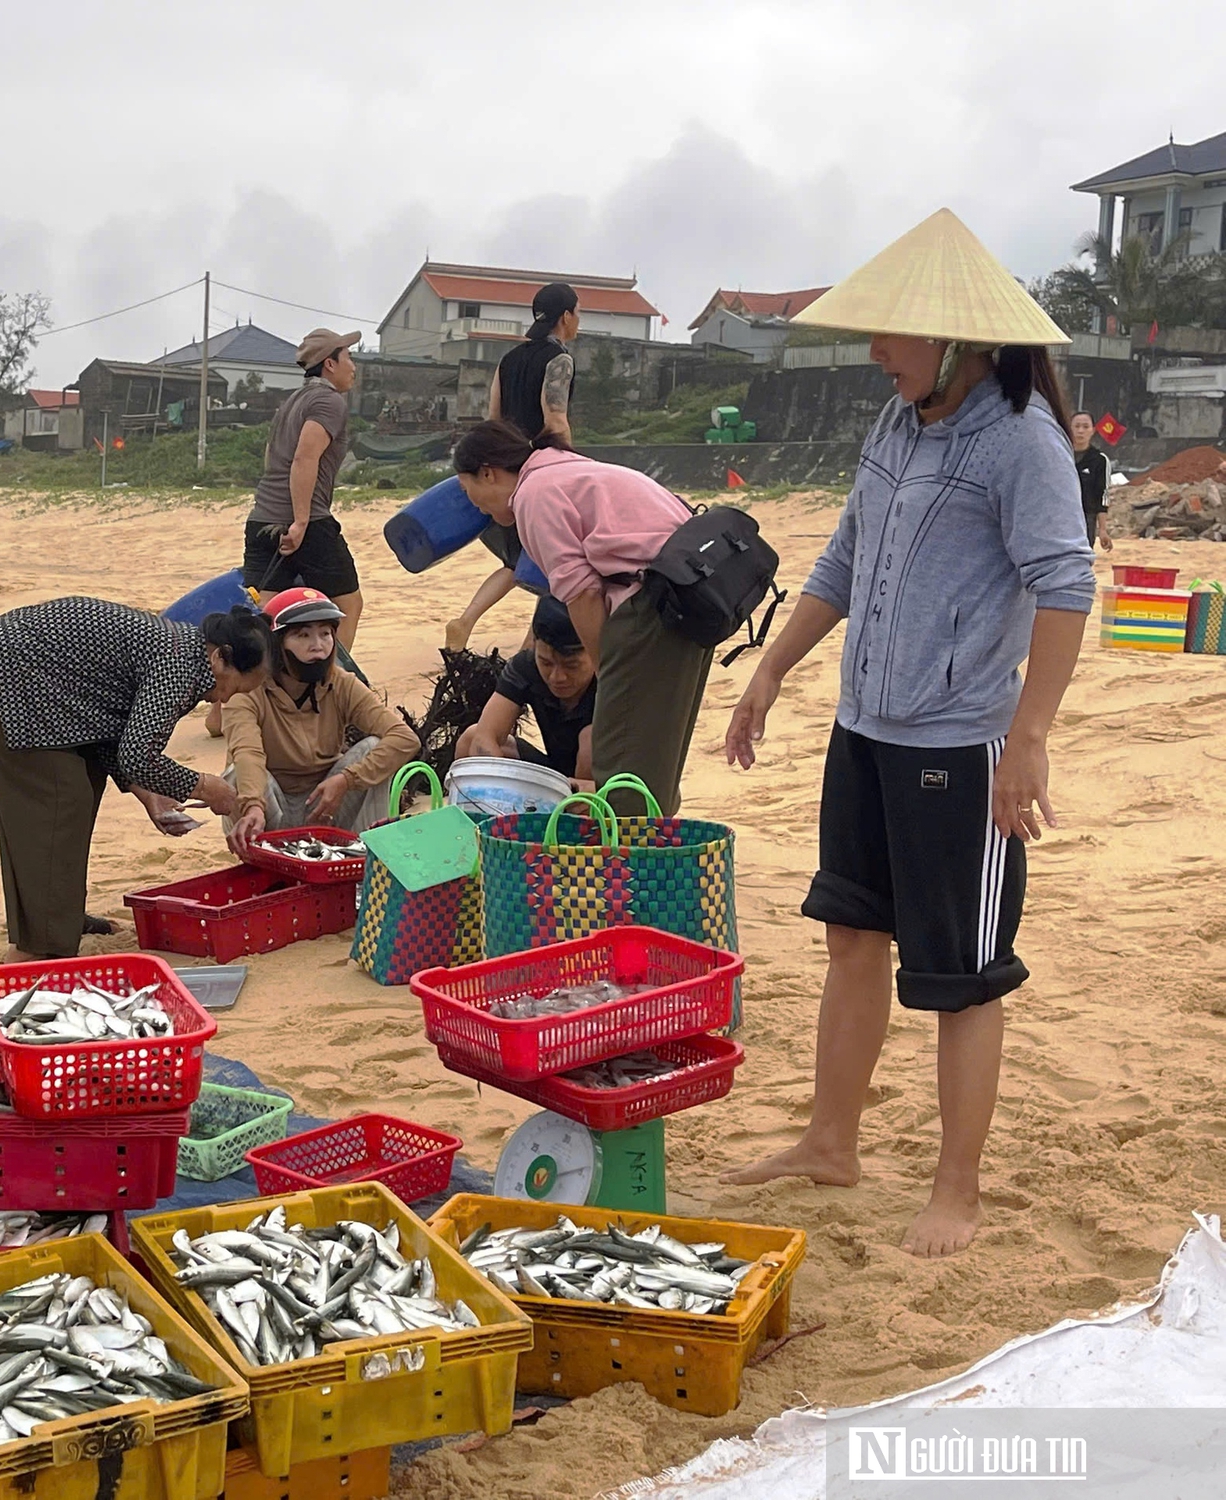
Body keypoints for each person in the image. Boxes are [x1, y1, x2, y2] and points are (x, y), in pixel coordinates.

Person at [716, 209, 1094, 1260]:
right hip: (864, 729)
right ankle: (829, 1141)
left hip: (957, 746)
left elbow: (1064, 588)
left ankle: (955, 1191)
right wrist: (771, 673)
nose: (873, 350)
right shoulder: (896, 425)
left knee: (962, 973)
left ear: (959, 343)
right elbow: (840, 558)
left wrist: (1028, 738)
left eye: (890, 333)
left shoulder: (1017, 445)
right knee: (851, 936)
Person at [0, 598, 271, 960]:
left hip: (33, 670)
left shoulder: (185, 653)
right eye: (233, 687)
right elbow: (137, 756)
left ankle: (56, 917)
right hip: (9, 665)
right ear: (221, 657)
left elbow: (110, 729)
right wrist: (205, 786)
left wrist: (148, 794)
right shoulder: (179, 664)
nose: (225, 698)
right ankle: (43, 946)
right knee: (60, 796)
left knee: (84, 782)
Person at [452, 420, 707, 816]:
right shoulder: (562, 467)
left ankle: (626, 861)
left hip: (653, 605)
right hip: (691, 600)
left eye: (472, 493)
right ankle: (650, 847)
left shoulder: (533, 495)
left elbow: (582, 593)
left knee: (623, 764)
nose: (476, 506)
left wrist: (608, 671)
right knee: (657, 756)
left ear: (488, 472)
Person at [222, 587, 421, 851]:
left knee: (373, 747)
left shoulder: (341, 683)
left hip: (325, 803)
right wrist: (254, 803)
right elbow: (248, 752)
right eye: (302, 635)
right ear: (276, 644)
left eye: (325, 633)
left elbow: (404, 738)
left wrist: (348, 779)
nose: (318, 645)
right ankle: (264, 857)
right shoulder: (248, 690)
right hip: (269, 805)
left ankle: (363, 855)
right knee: (236, 773)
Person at [447, 284, 582, 651]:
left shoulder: (508, 360)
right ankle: (530, 647)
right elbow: (555, 419)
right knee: (555, 561)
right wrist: (567, 466)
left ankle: (466, 619)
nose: (578, 320)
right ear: (566, 316)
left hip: (502, 469)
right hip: (538, 469)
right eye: (577, 313)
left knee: (517, 560)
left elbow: (493, 418)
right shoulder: (560, 359)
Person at [244, 329, 364, 646]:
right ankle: (334, 683)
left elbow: (272, 457)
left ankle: (264, 687)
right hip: (306, 524)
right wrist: (300, 521)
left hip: (261, 520)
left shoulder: (291, 402)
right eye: (348, 357)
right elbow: (304, 458)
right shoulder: (329, 401)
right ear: (330, 364)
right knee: (347, 605)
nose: (353, 366)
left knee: (267, 615)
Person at [453, 593, 597, 782]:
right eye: (545, 663)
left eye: (571, 666)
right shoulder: (525, 667)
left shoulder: (615, 676)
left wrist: (591, 790)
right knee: (471, 738)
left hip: (609, 784)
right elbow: (486, 736)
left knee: (590, 740)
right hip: (555, 773)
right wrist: (494, 784)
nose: (557, 677)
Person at [1070, 410, 1113, 553]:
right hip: (1060, 517)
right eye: (1076, 426)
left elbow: (1102, 496)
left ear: (1093, 430)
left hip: (1086, 518)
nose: (1080, 431)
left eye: (1085, 426)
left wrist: (1102, 530)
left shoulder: (1100, 460)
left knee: (1082, 560)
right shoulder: (1059, 455)